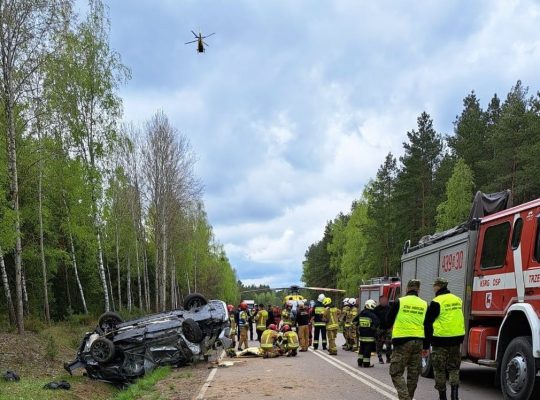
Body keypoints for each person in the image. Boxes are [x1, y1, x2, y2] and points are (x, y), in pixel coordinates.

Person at [424, 278, 465, 400]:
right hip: (456, 340)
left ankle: (442, 397)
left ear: (438, 287)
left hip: (440, 341)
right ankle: (455, 396)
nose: (433, 288)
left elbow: (428, 324)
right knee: (454, 369)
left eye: (434, 286)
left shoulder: (436, 302)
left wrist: (426, 345)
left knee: (439, 370)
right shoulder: (457, 299)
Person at [386, 279, 428, 400]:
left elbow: (389, 319)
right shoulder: (424, 304)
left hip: (402, 341)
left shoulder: (400, 301)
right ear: (418, 290)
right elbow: (428, 326)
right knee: (413, 374)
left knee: (395, 372)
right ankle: (409, 396)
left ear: (407, 289)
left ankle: (405, 398)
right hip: (419, 341)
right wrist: (426, 346)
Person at [354, 299, 380, 367]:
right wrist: (373, 328)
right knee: (367, 350)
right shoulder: (372, 314)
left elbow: (354, 321)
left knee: (361, 349)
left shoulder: (361, 313)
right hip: (369, 336)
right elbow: (377, 323)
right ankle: (366, 363)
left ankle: (360, 362)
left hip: (362, 335)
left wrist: (359, 326)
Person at [374, 295, 392, 364]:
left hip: (388, 329)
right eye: (382, 300)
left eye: (385, 300)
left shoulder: (390, 308)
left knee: (389, 344)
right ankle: (380, 358)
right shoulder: (376, 309)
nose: (384, 301)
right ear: (380, 301)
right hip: (380, 329)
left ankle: (388, 358)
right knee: (379, 344)